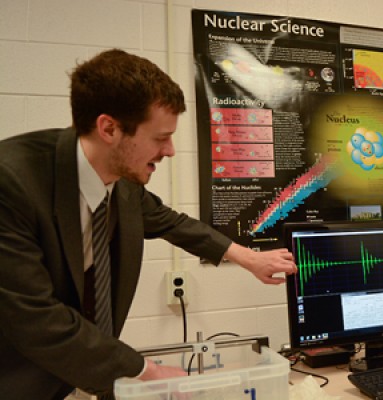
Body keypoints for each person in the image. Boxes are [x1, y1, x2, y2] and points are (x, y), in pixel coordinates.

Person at [0, 48, 297, 400]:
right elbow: (35, 318)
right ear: (109, 128)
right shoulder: (12, 181)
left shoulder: (123, 182)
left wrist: (248, 258)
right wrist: (147, 372)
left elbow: (170, 222)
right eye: (160, 138)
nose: (170, 150)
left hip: (78, 374)